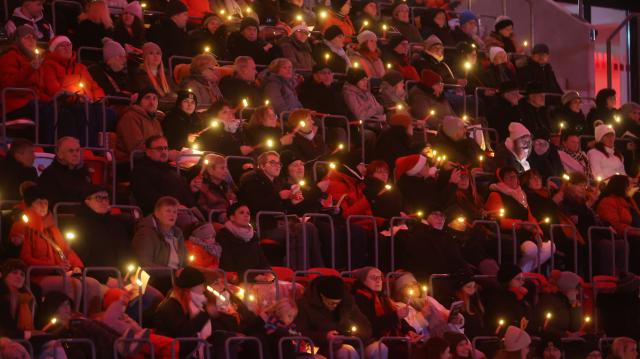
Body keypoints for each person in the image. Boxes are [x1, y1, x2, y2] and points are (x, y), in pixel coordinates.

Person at [10, 186, 102, 313]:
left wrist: (76, 266)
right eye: (39, 202)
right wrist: (55, 266)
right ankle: (69, 320)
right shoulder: (22, 226)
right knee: (72, 284)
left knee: (93, 283)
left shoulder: (52, 227)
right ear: (30, 205)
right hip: (37, 276)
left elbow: (66, 250)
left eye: (45, 202)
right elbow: (24, 259)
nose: (43, 206)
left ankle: (93, 319)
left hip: (58, 272)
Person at [238, 151, 324, 268]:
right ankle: (297, 270)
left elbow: (282, 208)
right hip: (263, 225)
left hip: (280, 222)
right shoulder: (253, 180)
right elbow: (255, 206)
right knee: (299, 231)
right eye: (272, 162)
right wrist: (279, 197)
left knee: (309, 227)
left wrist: (292, 203)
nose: (277, 165)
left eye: (279, 163)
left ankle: (317, 268)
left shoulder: (278, 183)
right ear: (262, 166)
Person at [295, 275, 373, 358]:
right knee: (347, 352)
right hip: (319, 347)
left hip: (352, 343)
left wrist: (353, 336)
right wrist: (325, 336)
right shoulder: (304, 305)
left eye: (337, 303)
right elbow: (300, 333)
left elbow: (366, 327)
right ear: (321, 296)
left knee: (379, 348)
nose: (334, 306)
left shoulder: (347, 303)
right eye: (331, 303)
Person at [153, 266, 217, 353]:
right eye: (201, 285)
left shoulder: (191, 303)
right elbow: (184, 332)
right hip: (173, 350)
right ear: (191, 286)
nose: (203, 289)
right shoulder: (171, 305)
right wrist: (205, 314)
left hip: (185, 347)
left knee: (223, 339)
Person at [72, 186, 133, 274]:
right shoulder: (78, 226)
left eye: (106, 198)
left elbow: (127, 251)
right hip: (95, 280)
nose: (104, 202)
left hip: (124, 277)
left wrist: (131, 274)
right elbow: (83, 257)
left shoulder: (116, 224)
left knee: (148, 288)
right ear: (87, 201)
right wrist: (105, 279)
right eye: (98, 198)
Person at [400, 205, 471, 281]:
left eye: (442, 215)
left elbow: (455, 258)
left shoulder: (447, 237)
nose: (440, 218)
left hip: (445, 278)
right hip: (426, 279)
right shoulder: (419, 235)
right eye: (435, 214)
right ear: (426, 217)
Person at [131, 136, 195, 214]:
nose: (164, 152)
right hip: (164, 215)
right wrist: (174, 206)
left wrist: (192, 189)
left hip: (186, 213)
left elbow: (188, 199)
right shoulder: (141, 171)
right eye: (159, 149)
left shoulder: (171, 170)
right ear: (148, 152)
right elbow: (147, 196)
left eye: (166, 148)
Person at [352, 267, 406, 355]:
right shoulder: (359, 298)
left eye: (380, 277)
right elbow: (370, 325)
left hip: (387, 338)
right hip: (370, 340)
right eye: (373, 278)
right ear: (363, 281)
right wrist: (395, 316)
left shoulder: (383, 297)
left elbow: (399, 319)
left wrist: (409, 331)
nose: (378, 280)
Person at [595, 175, 640, 273]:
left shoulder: (628, 201)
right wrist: (636, 232)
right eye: (627, 185)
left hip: (632, 232)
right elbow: (614, 224)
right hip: (621, 235)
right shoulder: (608, 202)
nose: (630, 188)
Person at [216, 203, 270, 277]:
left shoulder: (253, 236)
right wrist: (253, 277)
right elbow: (227, 265)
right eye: (241, 213)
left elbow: (262, 259)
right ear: (232, 217)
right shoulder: (224, 235)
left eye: (248, 213)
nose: (246, 215)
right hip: (234, 280)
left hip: (255, 277)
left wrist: (267, 271)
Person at [132, 196, 187, 269]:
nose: (172, 214)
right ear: (157, 213)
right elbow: (144, 264)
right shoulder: (146, 233)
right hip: (156, 277)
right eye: (168, 211)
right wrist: (172, 273)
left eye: (175, 212)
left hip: (176, 274)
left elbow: (184, 261)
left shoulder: (178, 233)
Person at [0, 25, 42, 119]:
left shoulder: (35, 60)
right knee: (48, 111)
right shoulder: (9, 56)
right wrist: (30, 68)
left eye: (34, 37)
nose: (32, 40)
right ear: (18, 40)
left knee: (62, 111)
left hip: (32, 102)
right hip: (14, 106)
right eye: (27, 37)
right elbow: (8, 84)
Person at [395, 154, 459, 214]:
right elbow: (438, 204)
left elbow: (437, 188)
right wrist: (453, 184)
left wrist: (444, 170)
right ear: (417, 171)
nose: (428, 166)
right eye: (425, 165)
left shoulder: (418, 181)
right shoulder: (415, 188)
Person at [37, 136, 91, 205]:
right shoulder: (50, 175)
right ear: (60, 154)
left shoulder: (84, 171)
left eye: (77, 150)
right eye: (71, 151)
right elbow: (53, 204)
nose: (76, 154)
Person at [115, 87, 164, 162]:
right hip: (130, 163)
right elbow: (136, 149)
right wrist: (161, 153)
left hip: (151, 161)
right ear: (139, 101)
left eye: (155, 99)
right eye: (147, 98)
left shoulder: (155, 121)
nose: (152, 102)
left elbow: (161, 143)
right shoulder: (130, 117)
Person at [484, 265, 533, 330]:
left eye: (523, 279)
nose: (522, 282)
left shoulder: (523, 298)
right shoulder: (499, 299)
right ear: (507, 281)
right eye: (518, 279)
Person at [190, 153, 237, 222]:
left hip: (230, 218)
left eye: (226, 168)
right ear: (210, 171)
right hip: (214, 222)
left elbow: (234, 202)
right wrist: (220, 216)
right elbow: (202, 210)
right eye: (222, 168)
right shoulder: (202, 187)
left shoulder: (225, 186)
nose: (226, 171)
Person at [0, 259, 37, 340]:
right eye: (14, 272)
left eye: (22, 274)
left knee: (52, 343)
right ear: (4, 276)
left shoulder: (24, 299)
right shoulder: (2, 297)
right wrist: (28, 334)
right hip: (5, 343)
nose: (19, 276)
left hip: (19, 340)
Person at [451, 270, 486, 340]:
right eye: (468, 287)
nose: (472, 290)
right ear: (460, 289)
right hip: (468, 339)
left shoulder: (475, 299)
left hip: (478, 337)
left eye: (474, 286)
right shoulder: (457, 304)